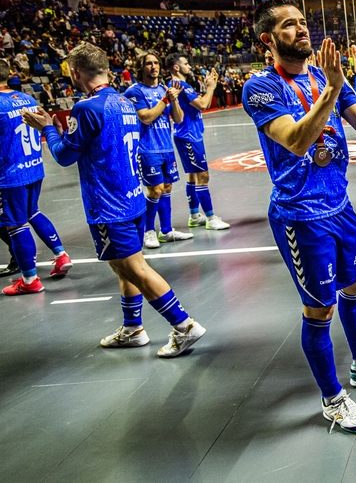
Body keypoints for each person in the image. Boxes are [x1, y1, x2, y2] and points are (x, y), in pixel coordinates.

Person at [243, 0, 356, 432]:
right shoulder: (260, 87)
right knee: (320, 308)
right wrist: (334, 88)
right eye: (289, 26)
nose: (301, 29)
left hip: (339, 205)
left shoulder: (322, 74)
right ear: (268, 39)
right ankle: (333, 399)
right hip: (300, 215)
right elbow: (296, 141)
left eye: (302, 22)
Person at [22, 43, 206, 356]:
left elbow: (65, 156)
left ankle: (184, 325)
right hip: (132, 198)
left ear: (76, 73)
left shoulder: (87, 108)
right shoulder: (124, 101)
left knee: (134, 268)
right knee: (122, 267)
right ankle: (133, 328)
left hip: (109, 204)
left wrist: (48, 129)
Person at [0, 58, 72, 295]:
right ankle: (61, 256)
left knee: (15, 224)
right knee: (33, 212)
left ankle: (30, 280)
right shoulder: (26, 98)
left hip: (10, 173)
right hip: (33, 166)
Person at [124, 54, 193, 249]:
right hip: (148, 149)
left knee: (167, 188)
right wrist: (165, 99)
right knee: (155, 190)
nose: (153, 66)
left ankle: (167, 230)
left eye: (156, 63)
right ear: (141, 67)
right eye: (148, 63)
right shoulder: (134, 92)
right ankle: (148, 231)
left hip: (166, 147)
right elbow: (146, 117)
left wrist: (175, 100)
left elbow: (178, 119)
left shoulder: (164, 89)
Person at [164, 54, 230, 231]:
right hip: (189, 136)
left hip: (187, 134)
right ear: (176, 67)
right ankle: (210, 218)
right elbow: (203, 104)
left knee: (193, 176)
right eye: (186, 64)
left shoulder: (176, 85)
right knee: (203, 176)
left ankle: (194, 215)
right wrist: (211, 87)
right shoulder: (181, 85)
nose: (190, 67)